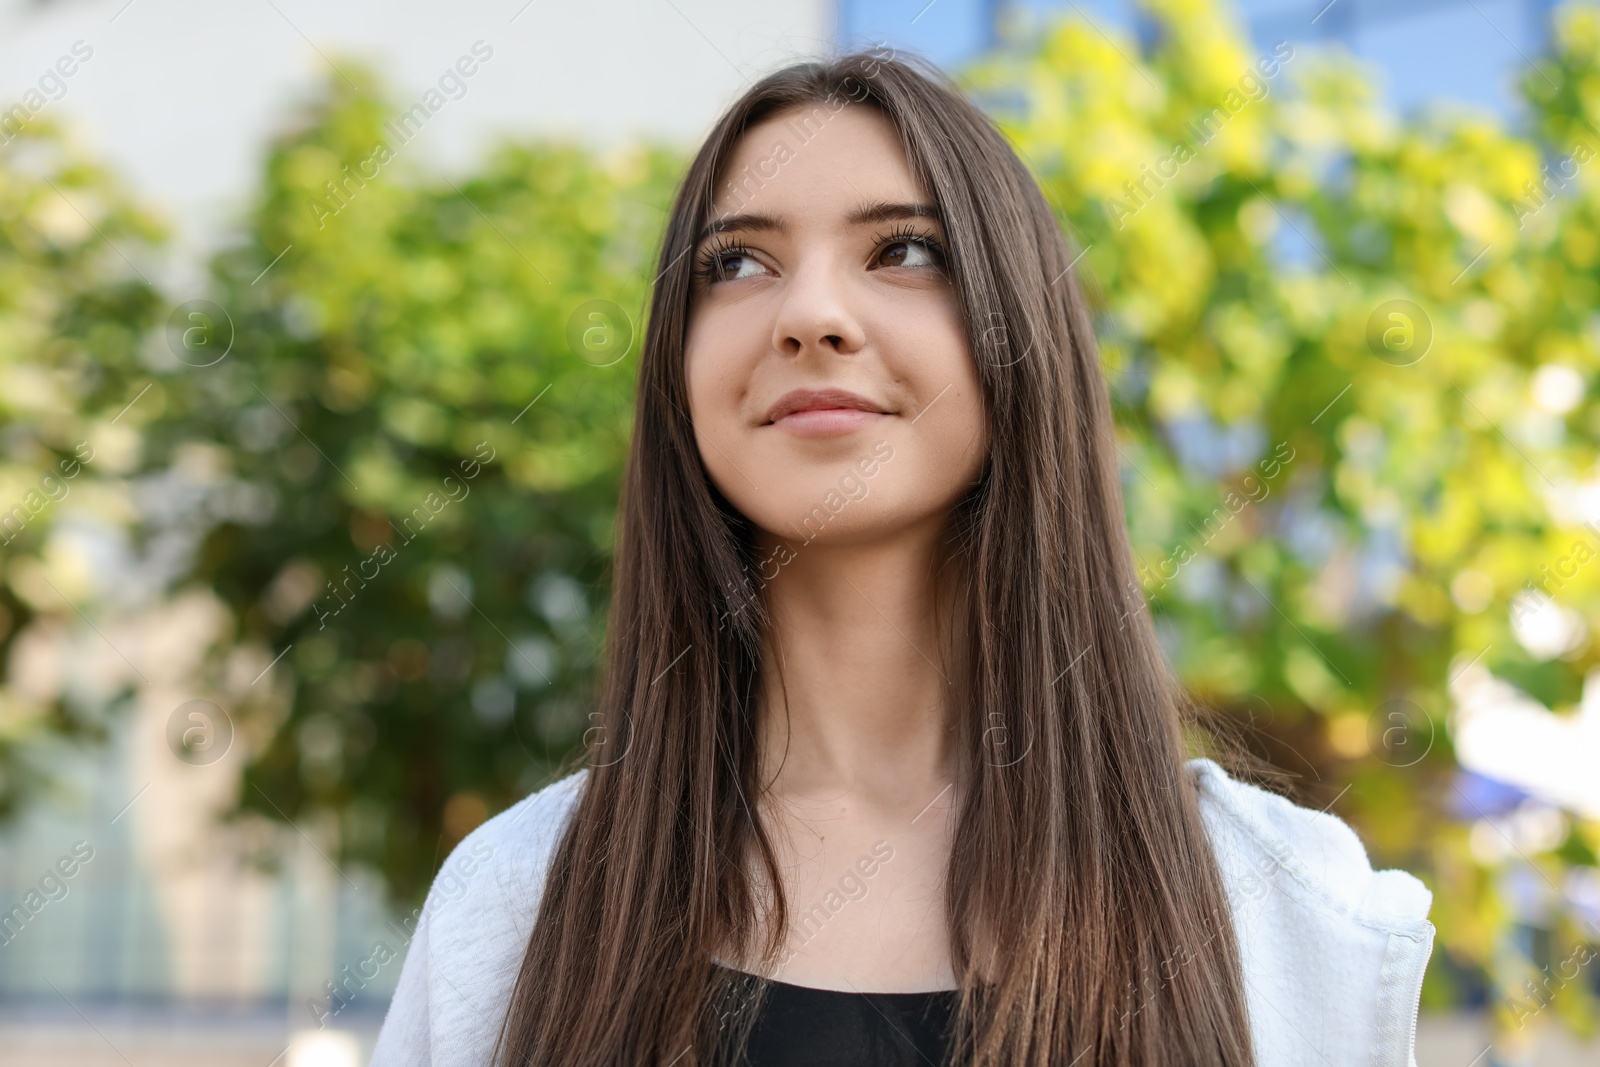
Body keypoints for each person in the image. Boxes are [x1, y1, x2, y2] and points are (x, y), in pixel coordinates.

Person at [371, 52, 1434, 1067]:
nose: (812, 316)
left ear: (1018, 328)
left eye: (902, 249)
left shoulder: (1287, 906)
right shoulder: (513, 904)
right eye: (736, 262)